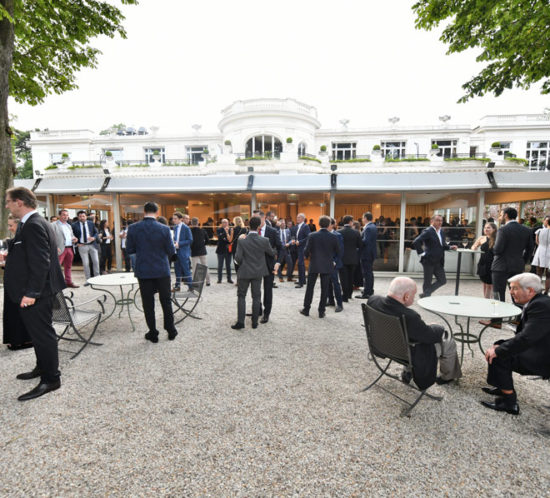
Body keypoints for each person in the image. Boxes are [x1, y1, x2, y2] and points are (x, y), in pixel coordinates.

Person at [3, 187, 66, 401]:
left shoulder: (34, 224)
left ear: (19, 202)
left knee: (43, 334)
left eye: (8, 201)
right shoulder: (30, 224)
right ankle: (42, 367)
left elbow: (41, 262)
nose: (6, 205)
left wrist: (31, 292)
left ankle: (51, 378)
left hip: (37, 294)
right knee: (38, 334)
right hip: (35, 292)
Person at [368, 277, 462, 389]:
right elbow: (430, 337)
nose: (414, 297)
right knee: (448, 342)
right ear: (406, 296)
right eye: (414, 294)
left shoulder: (373, 300)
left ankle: (408, 372)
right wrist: (436, 326)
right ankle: (447, 377)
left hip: (383, 346)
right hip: (407, 355)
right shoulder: (409, 316)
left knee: (412, 337)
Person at [481, 273, 550, 415]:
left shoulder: (540, 305)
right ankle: (502, 386)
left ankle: (509, 402)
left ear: (530, 290)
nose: (511, 292)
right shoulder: (539, 301)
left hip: (544, 356)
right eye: (510, 288)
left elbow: (527, 338)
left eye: (515, 288)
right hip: (541, 346)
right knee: (498, 344)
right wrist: (500, 346)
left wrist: (500, 350)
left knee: (499, 355)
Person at [126, 202, 178, 343]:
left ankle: (153, 333)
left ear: (144, 211)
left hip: (144, 270)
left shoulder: (133, 228)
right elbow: (171, 251)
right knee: (166, 301)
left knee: (148, 303)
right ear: (157, 211)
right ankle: (171, 330)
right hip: (162, 269)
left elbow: (129, 249)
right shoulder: (164, 229)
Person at [231, 216, 276, 330]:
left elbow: (238, 258)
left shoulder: (242, 240)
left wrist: (239, 263)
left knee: (241, 296)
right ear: (259, 226)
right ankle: (255, 322)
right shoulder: (264, 240)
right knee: (256, 296)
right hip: (258, 272)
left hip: (244, 271)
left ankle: (241, 322)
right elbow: (271, 253)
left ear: (248, 225)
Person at [490, 207, 534, 324]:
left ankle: (497, 320)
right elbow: (530, 249)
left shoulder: (503, 230)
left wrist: (493, 248)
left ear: (506, 215)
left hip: (500, 266)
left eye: (501, 214)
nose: (500, 217)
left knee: (498, 293)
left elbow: (498, 249)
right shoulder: (526, 230)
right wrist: (523, 261)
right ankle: (518, 319)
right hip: (518, 265)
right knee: (517, 292)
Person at [300, 216, 342, 318]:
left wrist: (307, 256)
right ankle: (321, 311)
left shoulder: (312, 235)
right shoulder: (333, 237)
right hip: (327, 265)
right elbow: (338, 251)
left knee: (310, 288)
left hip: (314, 264)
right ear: (329, 225)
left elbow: (306, 250)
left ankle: (306, 309)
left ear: (319, 224)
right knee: (325, 289)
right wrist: (332, 260)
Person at [2, 215, 32, 351]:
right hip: (12, 283)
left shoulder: (26, 240)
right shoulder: (14, 241)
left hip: (20, 283)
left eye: (11, 225)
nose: (9, 228)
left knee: (18, 312)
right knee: (12, 312)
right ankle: (16, 339)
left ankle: (21, 340)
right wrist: (4, 263)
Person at [413, 214, 457, 298]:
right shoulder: (428, 231)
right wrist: (422, 254)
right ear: (432, 221)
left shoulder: (441, 231)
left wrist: (450, 247)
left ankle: (426, 294)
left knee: (442, 280)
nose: (440, 222)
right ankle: (426, 298)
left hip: (438, 260)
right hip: (428, 260)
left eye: (441, 220)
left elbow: (442, 245)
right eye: (437, 220)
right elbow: (416, 242)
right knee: (427, 281)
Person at [256, 210, 282, 323]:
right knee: (255, 290)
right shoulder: (251, 230)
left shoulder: (272, 231)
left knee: (267, 290)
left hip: (268, 265)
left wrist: (278, 263)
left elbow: (281, 248)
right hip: (254, 265)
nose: (253, 221)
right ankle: (258, 309)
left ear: (263, 218)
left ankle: (266, 314)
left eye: (255, 218)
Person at [72, 210, 99, 285]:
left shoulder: (91, 223)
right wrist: (77, 243)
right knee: (86, 263)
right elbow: (72, 235)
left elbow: (96, 233)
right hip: (82, 246)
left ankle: (97, 278)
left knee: (96, 261)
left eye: (83, 216)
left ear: (86, 216)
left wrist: (93, 237)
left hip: (92, 245)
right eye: (80, 216)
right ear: (78, 217)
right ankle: (88, 279)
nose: (82, 218)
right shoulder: (74, 225)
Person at [338, 215, 362, 302]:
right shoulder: (356, 232)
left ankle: (344, 295)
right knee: (351, 277)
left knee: (343, 278)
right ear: (351, 222)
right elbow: (360, 245)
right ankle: (349, 294)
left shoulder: (339, 232)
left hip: (342, 258)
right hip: (353, 258)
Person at [472, 222, 497, 298]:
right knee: (485, 283)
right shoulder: (481, 238)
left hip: (493, 263)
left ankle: (490, 301)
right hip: (483, 263)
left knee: (491, 284)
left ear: (494, 229)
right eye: (485, 227)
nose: (486, 229)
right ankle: (485, 299)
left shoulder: (497, 238)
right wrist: (474, 248)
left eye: (488, 228)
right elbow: (473, 246)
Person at [356, 212, 377, 299]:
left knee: (366, 273)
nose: (362, 219)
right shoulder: (373, 226)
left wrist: (357, 241)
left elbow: (365, 241)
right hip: (370, 253)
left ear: (366, 218)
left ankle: (367, 292)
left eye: (362, 217)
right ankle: (369, 290)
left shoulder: (368, 228)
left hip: (366, 253)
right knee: (369, 273)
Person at [56, 209, 79, 288]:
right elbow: (49, 237)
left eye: (67, 215)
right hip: (60, 249)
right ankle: (57, 283)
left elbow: (71, 236)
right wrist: (54, 247)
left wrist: (74, 238)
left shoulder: (69, 225)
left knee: (68, 266)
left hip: (69, 248)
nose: (65, 216)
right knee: (57, 267)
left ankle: (68, 282)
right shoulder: (53, 225)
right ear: (59, 216)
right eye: (63, 215)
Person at [171, 211, 193, 291]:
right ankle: (177, 286)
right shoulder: (175, 227)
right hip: (176, 252)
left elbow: (190, 240)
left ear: (181, 219)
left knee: (186, 270)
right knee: (177, 270)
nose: (174, 220)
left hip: (183, 252)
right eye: (173, 218)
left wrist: (179, 244)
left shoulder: (186, 228)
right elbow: (175, 238)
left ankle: (191, 287)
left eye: (175, 219)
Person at [326, 218, 344, 312]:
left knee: (335, 283)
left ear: (332, 225)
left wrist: (335, 261)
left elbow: (340, 251)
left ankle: (340, 304)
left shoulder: (338, 235)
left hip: (334, 263)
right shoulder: (324, 235)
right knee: (327, 282)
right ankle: (330, 300)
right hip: (325, 263)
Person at [531, 215, 550, 294]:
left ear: (547, 222)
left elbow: (537, 242)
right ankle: (546, 291)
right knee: (549, 275)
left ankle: (538, 291)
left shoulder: (539, 231)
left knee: (539, 273)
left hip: (541, 251)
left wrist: (542, 245)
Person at [190, 217, 211, 286]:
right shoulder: (203, 231)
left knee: (194, 267)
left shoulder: (190, 231)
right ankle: (208, 281)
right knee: (205, 266)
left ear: (191, 223)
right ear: (198, 223)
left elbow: (190, 242)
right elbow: (208, 241)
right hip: (202, 251)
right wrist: (203, 244)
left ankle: (195, 282)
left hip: (194, 251)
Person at [291, 213, 311, 288]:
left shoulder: (305, 226)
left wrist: (300, 242)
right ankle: (303, 280)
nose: (297, 219)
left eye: (299, 217)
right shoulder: (296, 226)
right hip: (296, 248)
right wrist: (293, 240)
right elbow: (293, 235)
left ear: (303, 218)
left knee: (300, 264)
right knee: (299, 264)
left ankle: (301, 282)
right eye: (297, 217)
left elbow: (308, 237)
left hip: (302, 248)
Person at [216, 219, 233, 284]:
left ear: (228, 223)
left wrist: (226, 238)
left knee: (228, 265)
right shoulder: (219, 229)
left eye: (226, 222)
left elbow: (230, 240)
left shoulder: (230, 230)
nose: (225, 224)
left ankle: (229, 279)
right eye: (223, 222)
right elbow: (221, 237)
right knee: (220, 265)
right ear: (221, 223)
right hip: (220, 250)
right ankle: (219, 279)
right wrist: (225, 236)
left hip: (228, 250)